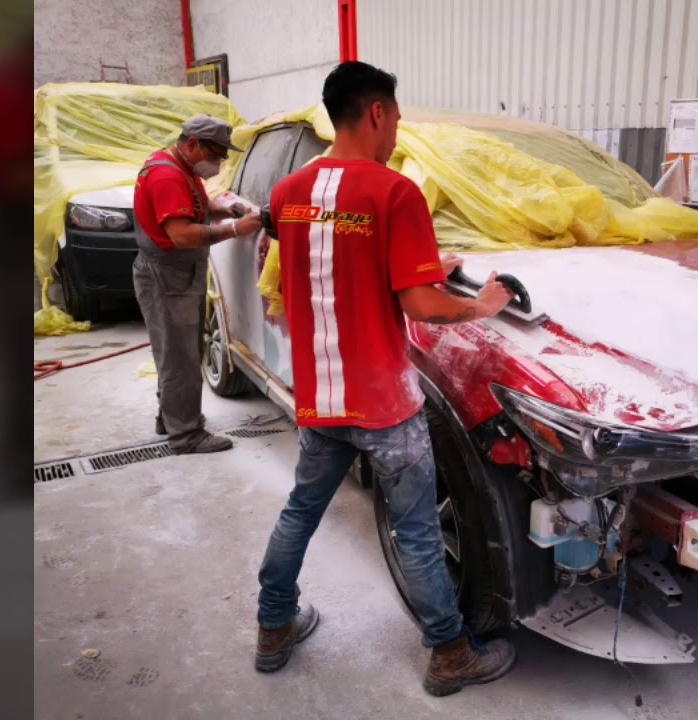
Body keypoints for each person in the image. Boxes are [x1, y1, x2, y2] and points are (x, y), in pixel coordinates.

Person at [254, 61, 516, 696]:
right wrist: (481, 306)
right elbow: (422, 305)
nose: (397, 130)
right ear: (376, 113)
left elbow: (314, 274)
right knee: (418, 531)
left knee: (300, 512)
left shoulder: (289, 194)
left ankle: (273, 627)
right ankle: (451, 654)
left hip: (321, 399)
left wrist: (422, 262)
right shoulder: (396, 193)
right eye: (395, 117)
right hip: (385, 405)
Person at [132, 115, 262, 454]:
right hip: (168, 275)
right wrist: (235, 229)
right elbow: (182, 234)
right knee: (180, 358)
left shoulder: (177, 165)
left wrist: (222, 209)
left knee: (178, 352)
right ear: (193, 145)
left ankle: (172, 419)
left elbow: (192, 209)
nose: (219, 164)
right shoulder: (166, 176)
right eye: (215, 156)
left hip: (174, 274)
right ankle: (185, 436)